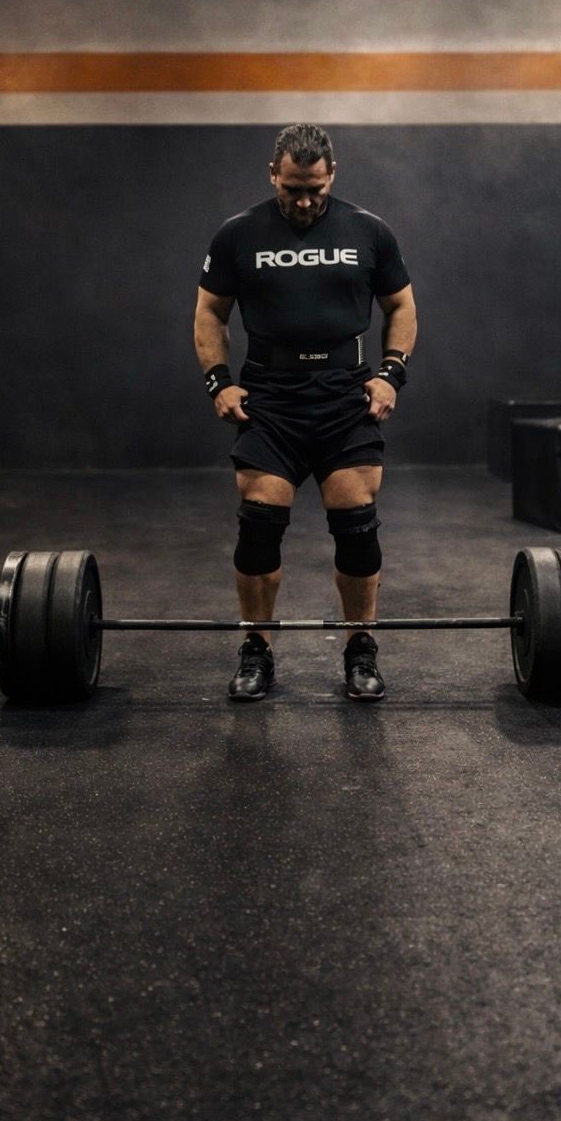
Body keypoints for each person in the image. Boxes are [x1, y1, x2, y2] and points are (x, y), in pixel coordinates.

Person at [194, 123, 417, 702]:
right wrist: (219, 382)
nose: (304, 200)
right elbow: (209, 313)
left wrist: (391, 374)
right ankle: (257, 650)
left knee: (357, 524)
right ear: (274, 175)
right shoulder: (238, 234)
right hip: (271, 396)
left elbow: (401, 305)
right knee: (259, 523)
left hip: (344, 394)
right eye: (293, 188)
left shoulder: (368, 230)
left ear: (332, 174)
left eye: (314, 188)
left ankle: (360, 648)